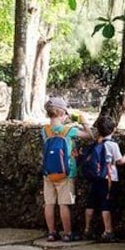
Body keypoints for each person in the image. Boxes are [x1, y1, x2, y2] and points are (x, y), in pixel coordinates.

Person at [40, 96, 90, 242]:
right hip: (66, 173)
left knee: (49, 203)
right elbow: (90, 135)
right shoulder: (68, 130)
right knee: (63, 204)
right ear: (62, 114)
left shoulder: (45, 130)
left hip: (48, 173)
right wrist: (83, 119)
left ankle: (51, 232)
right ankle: (67, 233)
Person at [82, 115, 125, 242]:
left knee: (91, 203)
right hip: (109, 179)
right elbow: (120, 161)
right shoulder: (112, 145)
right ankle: (108, 231)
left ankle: (87, 229)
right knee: (106, 205)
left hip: (95, 178)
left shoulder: (96, 143)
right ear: (113, 130)